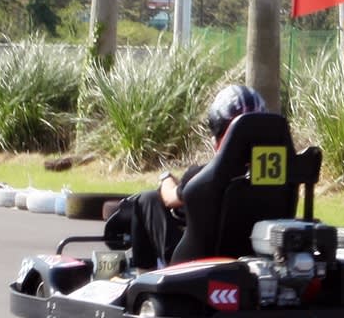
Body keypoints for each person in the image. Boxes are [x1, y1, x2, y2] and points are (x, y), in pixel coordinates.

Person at [108, 81, 264, 272]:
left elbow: (169, 198)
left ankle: (144, 277)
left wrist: (166, 177)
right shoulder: (278, 177)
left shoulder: (204, 176)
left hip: (195, 264)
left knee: (146, 199)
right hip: (256, 261)